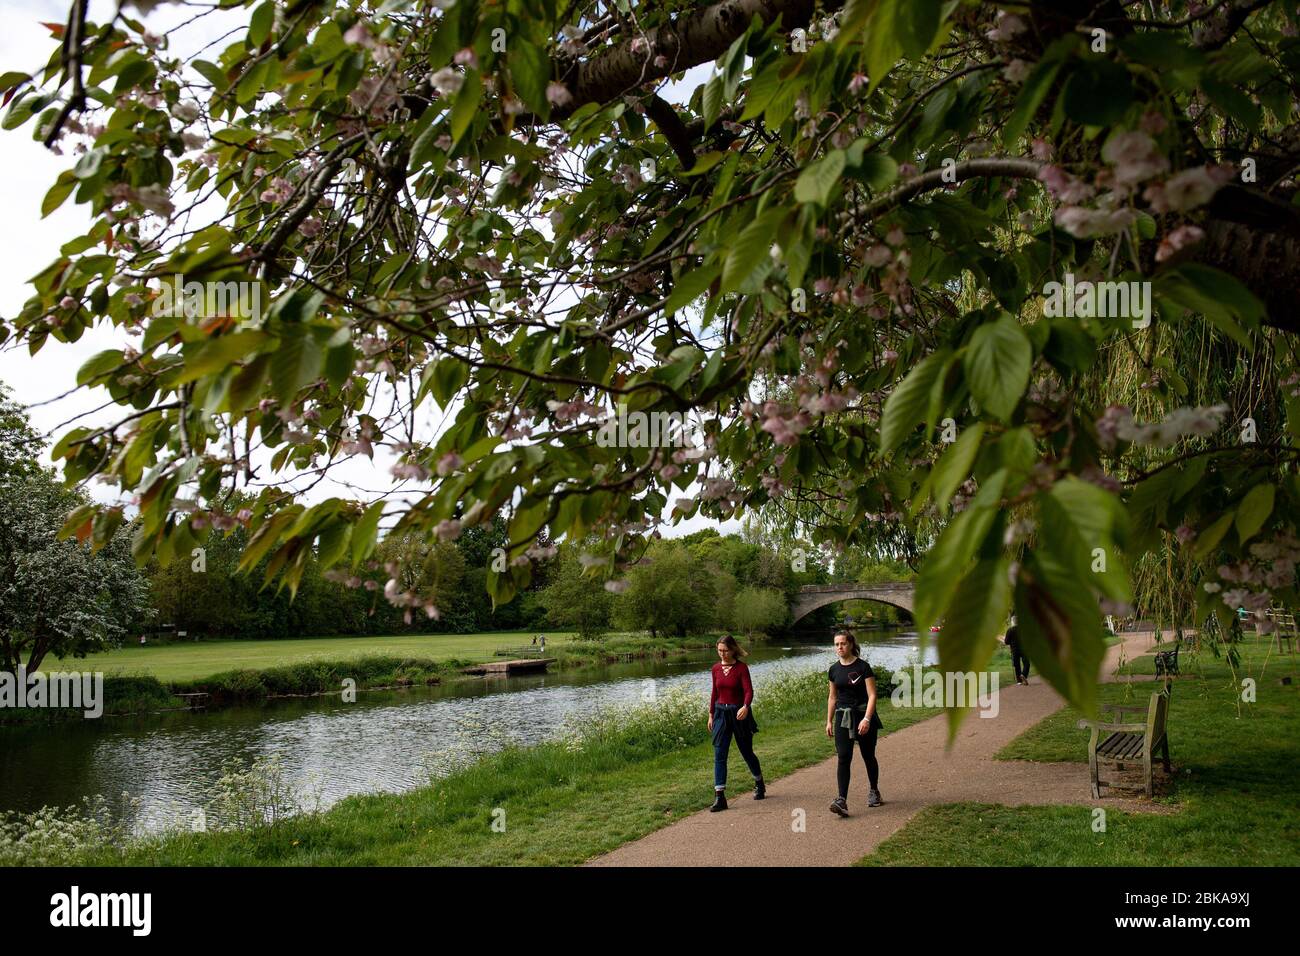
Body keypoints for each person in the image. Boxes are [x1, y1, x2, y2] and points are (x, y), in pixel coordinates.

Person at [826, 628, 882, 815]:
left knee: (868, 755)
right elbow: (832, 697)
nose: (839, 647)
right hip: (843, 717)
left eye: (843, 643)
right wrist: (828, 721)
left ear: (850, 644)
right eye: (836, 644)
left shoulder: (863, 667)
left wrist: (867, 718)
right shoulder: (833, 670)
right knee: (843, 757)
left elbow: (872, 695)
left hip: (862, 715)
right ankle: (842, 800)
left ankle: (874, 791)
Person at [707, 634, 765, 812]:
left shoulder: (741, 668)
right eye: (719, 651)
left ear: (733, 650)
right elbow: (714, 693)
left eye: (725, 651)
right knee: (719, 754)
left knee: (747, 752)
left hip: (739, 714)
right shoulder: (715, 669)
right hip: (720, 715)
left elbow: (748, 690)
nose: (722, 654)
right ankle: (720, 797)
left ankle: (759, 783)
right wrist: (711, 714)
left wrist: (746, 706)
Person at [1005, 618, 1029, 685]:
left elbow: (1006, 642)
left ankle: (1019, 681)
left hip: (1014, 650)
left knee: (1017, 665)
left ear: (1012, 622)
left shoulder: (1009, 630)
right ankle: (1023, 674)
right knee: (1027, 663)